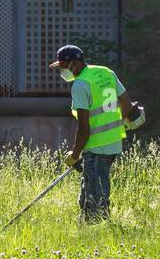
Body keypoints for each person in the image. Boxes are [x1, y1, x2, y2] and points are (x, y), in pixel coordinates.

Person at [48, 44, 144, 222]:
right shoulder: (106, 72)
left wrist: (74, 155)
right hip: (114, 141)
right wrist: (117, 124)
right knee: (90, 190)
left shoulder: (80, 85)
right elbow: (127, 104)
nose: (62, 71)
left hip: (96, 146)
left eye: (63, 66)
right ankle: (87, 227)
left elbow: (84, 128)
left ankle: (99, 228)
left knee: (96, 197)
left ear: (74, 63)